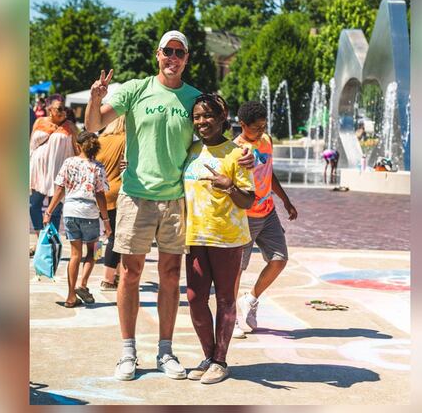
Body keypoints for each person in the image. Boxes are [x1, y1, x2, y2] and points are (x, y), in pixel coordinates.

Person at [85, 30, 254, 381]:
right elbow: (93, 124)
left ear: (187, 58)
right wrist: (95, 98)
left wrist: (245, 150)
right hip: (135, 195)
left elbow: (213, 133)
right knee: (129, 274)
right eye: (167, 51)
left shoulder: (193, 98)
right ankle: (127, 352)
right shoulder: (135, 89)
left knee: (170, 277)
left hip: (176, 199)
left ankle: (165, 351)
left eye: (180, 52)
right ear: (157, 55)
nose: (173, 57)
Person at [183, 94, 254, 384]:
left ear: (223, 118)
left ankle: (221, 360)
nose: (202, 122)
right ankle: (209, 356)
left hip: (227, 237)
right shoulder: (190, 150)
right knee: (195, 299)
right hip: (195, 235)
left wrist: (230, 186)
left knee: (225, 298)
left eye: (208, 116)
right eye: (197, 116)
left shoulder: (236, 154)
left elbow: (248, 200)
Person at [232, 101, 299, 339]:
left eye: (263, 126)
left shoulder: (266, 141)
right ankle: (232, 319)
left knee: (279, 259)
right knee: (236, 270)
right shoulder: (235, 149)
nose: (261, 131)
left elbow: (269, 174)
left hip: (267, 212)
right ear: (242, 125)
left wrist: (285, 200)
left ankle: (250, 299)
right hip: (245, 217)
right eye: (256, 127)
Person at [43, 131, 112, 308]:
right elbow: (100, 194)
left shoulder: (69, 162)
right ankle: (83, 284)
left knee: (75, 255)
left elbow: (59, 190)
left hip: (70, 211)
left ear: (78, 146)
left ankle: (71, 296)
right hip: (89, 212)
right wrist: (106, 220)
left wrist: (48, 212)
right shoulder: (98, 167)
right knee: (95, 251)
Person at [29, 94, 79, 256]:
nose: (62, 110)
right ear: (49, 109)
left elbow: (78, 149)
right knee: (33, 206)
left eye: (63, 108)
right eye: (59, 108)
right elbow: (32, 146)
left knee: (55, 211)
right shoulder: (39, 122)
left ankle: (50, 244)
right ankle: (40, 239)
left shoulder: (70, 126)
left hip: (59, 174)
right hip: (39, 173)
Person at [95, 116, 126, 291]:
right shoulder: (126, 140)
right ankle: (108, 278)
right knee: (117, 237)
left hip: (99, 193)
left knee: (108, 234)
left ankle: (117, 275)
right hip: (117, 193)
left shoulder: (100, 139)